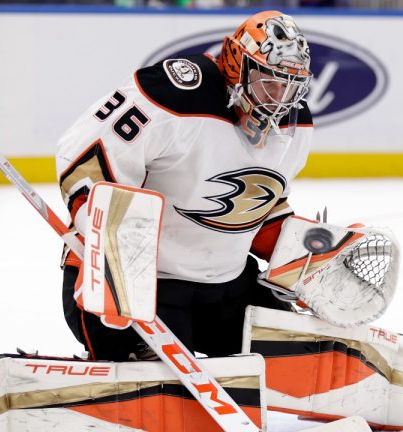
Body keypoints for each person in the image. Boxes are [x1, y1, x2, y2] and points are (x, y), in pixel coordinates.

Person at [56, 10, 314, 362]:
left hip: (226, 289)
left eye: (290, 85)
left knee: (302, 356)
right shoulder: (175, 93)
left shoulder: (296, 126)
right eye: (268, 81)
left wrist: (307, 253)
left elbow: (257, 207)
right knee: (160, 378)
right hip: (147, 288)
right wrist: (110, 242)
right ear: (237, 64)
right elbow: (86, 157)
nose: (278, 98)